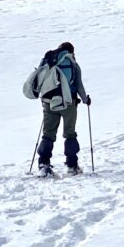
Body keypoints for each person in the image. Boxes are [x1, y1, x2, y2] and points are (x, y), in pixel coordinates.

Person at [35, 42, 90, 176]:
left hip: (49, 102)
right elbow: (79, 85)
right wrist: (85, 99)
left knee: (48, 134)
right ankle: (72, 166)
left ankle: (43, 164)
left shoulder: (48, 60)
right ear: (71, 51)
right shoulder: (72, 63)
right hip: (68, 102)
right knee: (70, 133)